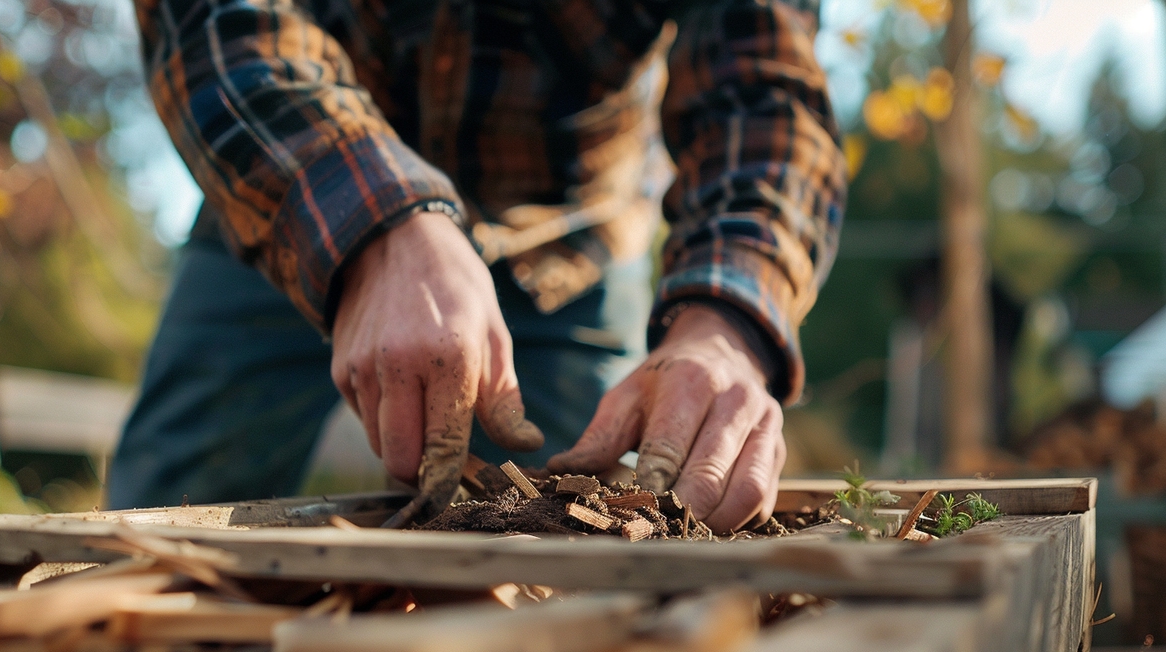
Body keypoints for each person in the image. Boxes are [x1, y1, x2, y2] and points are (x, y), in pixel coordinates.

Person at [110, 0, 845, 533]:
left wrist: (726, 324)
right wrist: (377, 226)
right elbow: (216, 17)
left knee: (578, 550)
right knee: (148, 535)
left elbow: (764, 92)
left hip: (564, 247)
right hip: (293, 189)